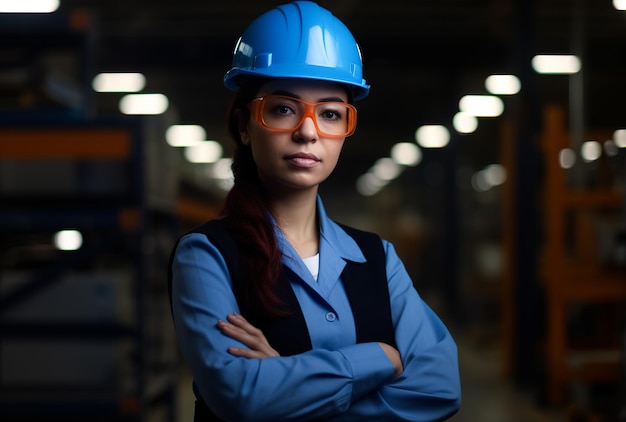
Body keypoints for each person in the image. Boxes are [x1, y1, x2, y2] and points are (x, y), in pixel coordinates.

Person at [169, 1, 461, 420]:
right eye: (283, 109)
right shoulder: (207, 256)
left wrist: (287, 383)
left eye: (329, 113)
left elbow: (440, 388)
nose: (308, 132)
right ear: (244, 127)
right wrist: (378, 358)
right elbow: (239, 396)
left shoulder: (378, 259)